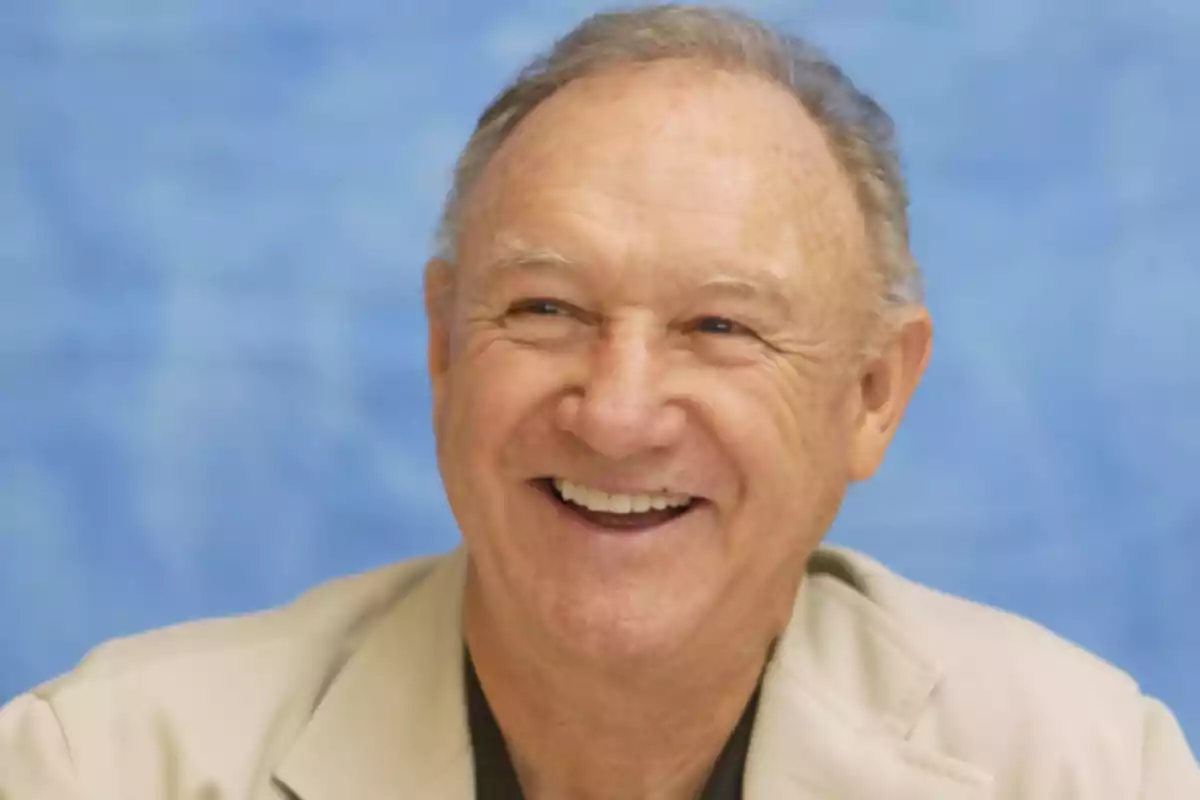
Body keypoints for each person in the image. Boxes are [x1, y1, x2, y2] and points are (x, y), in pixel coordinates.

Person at [2, 4, 1197, 799]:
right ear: (442, 346)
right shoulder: (102, 763)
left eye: (718, 327)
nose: (617, 414)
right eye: (545, 310)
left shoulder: (1084, 767)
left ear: (873, 393)